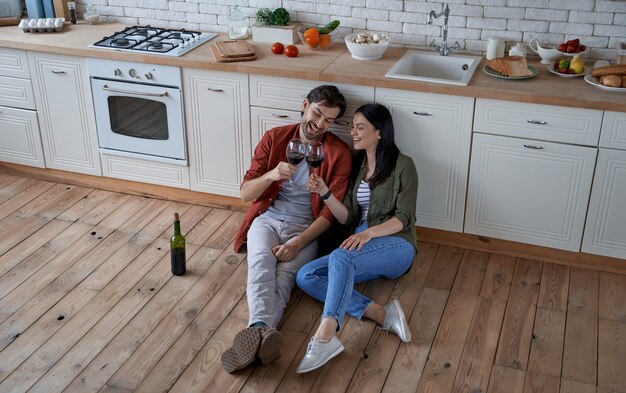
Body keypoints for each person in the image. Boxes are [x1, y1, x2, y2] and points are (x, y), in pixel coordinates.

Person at [221, 85, 353, 373]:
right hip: (268, 219)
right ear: (304, 105)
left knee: (284, 278)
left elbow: (331, 213)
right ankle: (262, 333)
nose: (320, 125)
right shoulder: (276, 137)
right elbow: (245, 194)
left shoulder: (338, 153)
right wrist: (272, 174)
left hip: (307, 227)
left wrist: (297, 243)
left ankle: (256, 334)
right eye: (317, 113)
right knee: (260, 265)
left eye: (329, 120)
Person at [295, 103, 418, 374]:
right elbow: (347, 217)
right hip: (359, 243)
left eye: (360, 127)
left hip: (397, 243)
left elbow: (405, 218)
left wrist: (369, 232)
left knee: (341, 256)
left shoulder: (404, 165)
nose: (353, 132)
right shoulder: (360, 167)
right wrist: (326, 193)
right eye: (352, 126)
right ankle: (381, 314)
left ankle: (325, 336)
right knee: (306, 276)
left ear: (380, 133)